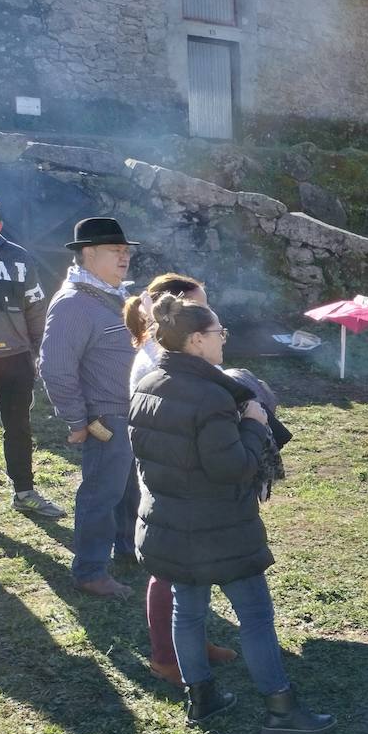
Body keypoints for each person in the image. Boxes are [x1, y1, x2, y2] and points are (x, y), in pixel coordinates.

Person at [130, 294, 334, 734]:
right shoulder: (212, 396)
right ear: (197, 340)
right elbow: (233, 466)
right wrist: (255, 422)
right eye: (219, 333)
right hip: (219, 527)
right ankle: (281, 709)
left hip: (167, 522)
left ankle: (201, 700)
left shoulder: (146, 383)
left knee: (188, 611)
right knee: (256, 615)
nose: (224, 339)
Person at [122, 273, 236, 687]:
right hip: (171, 477)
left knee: (189, 570)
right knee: (167, 573)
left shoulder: (166, 353)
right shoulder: (157, 359)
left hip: (183, 474)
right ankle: (165, 656)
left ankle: (190, 640)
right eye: (201, 307)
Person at [39, 217, 143, 599]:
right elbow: (54, 367)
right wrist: (77, 419)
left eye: (125, 250)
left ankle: (128, 549)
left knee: (128, 490)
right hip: (106, 416)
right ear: (87, 254)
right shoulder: (74, 303)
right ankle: (89, 570)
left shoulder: (112, 295)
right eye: (114, 250)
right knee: (101, 493)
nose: (124, 256)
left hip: (128, 413)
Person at [0, 190, 64, 527]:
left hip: (15, 359)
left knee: (20, 429)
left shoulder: (18, 258)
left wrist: (39, 351)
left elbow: (35, 309)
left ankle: (24, 493)